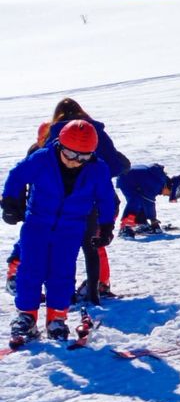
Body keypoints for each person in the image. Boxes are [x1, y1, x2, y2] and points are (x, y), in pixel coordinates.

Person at [3, 120, 118, 346]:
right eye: (70, 155)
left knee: (62, 273)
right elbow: (16, 176)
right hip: (37, 225)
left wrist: (106, 226)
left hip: (71, 229)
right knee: (30, 270)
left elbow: (106, 197)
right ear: (60, 146)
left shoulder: (97, 169)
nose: (75, 162)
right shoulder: (41, 159)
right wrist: (10, 202)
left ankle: (57, 317)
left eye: (82, 158)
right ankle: (27, 315)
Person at [44, 98, 130, 304]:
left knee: (66, 247)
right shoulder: (96, 132)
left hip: (64, 203)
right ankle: (95, 293)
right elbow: (117, 165)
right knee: (92, 246)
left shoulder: (55, 134)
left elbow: (43, 166)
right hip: (97, 200)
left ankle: (68, 294)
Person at [116, 164, 180, 236]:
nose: (165, 195)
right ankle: (125, 227)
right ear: (169, 187)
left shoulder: (160, 180)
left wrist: (152, 220)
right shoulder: (156, 184)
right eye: (169, 194)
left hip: (130, 178)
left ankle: (141, 223)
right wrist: (153, 220)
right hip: (126, 179)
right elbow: (149, 203)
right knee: (136, 200)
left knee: (140, 200)